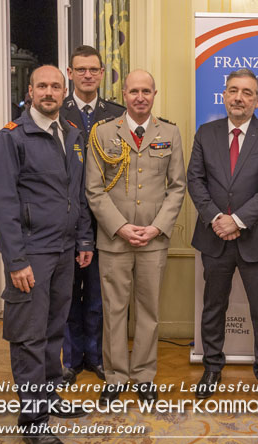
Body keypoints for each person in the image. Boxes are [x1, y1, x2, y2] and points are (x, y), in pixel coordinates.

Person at [0, 65, 93, 444]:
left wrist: (83, 241)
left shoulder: (73, 134)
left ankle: (49, 394)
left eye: (55, 86)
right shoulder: (11, 139)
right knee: (29, 337)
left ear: (64, 92)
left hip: (65, 251)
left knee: (53, 330)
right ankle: (33, 421)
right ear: (29, 91)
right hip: (31, 254)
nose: (49, 92)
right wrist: (16, 261)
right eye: (41, 86)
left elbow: (77, 196)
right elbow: (2, 204)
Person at [85, 69, 186, 405]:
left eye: (146, 91)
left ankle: (143, 376)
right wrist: (121, 226)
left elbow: (177, 187)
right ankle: (115, 377)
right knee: (113, 312)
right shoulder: (102, 133)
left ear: (155, 94)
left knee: (148, 311)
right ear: (123, 94)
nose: (140, 97)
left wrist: (156, 227)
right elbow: (94, 189)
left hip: (154, 240)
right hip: (114, 239)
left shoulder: (169, 133)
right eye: (133, 91)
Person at [187, 68, 258, 402]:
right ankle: (212, 366)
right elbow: (195, 181)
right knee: (214, 307)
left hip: (257, 238)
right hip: (214, 236)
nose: (239, 97)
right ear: (224, 95)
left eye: (247, 92)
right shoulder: (206, 132)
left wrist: (238, 220)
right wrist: (217, 218)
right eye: (233, 90)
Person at [59, 45, 125, 385]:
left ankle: (97, 356)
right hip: (65, 219)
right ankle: (71, 359)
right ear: (70, 73)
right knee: (68, 295)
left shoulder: (117, 113)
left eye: (93, 70)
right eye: (80, 69)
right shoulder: (57, 109)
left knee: (100, 295)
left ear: (101, 74)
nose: (87, 75)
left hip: (105, 220)